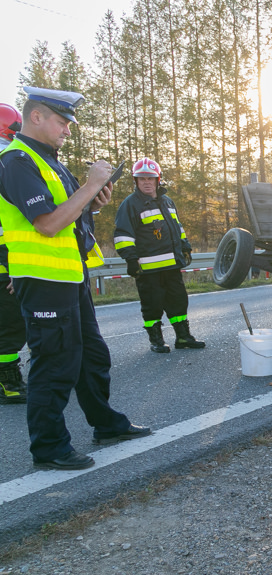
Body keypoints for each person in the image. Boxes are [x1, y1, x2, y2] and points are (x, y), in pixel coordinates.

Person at [0, 87, 151, 470]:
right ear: (36, 117)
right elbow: (48, 224)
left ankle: (106, 424)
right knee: (55, 362)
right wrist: (87, 185)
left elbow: (68, 216)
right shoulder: (16, 160)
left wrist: (93, 202)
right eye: (63, 122)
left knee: (91, 355)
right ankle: (49, 447)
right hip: (44, 279)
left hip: (70, 275)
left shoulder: (49, 161)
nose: (68, 130)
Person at [113, 158, 205, 353]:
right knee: (152, 305)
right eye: (142, 178)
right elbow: (123, 235)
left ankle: (183, 337)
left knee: (178, 301)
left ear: (158, 179)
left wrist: (185, 246)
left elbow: (177, 227)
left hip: (172, 265)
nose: (146, 182)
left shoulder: (167, 201)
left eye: (150, 178)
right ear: (135, 181)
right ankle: (156, 341)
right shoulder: (130, 204)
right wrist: (130, 259)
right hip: (147, 269)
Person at [0, 103, 27, 404]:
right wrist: (12, 265)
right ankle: (7, 381)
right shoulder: (7, 163)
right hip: (4, 262)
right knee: (10, 323)